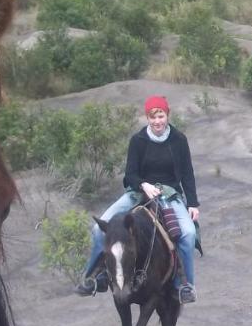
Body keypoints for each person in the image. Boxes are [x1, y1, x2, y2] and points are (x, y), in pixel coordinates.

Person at [76, 95, 201, 303]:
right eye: (153, 117)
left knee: (188, 234)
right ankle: (95, 278)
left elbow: (187, 173)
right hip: (138, 192)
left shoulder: (179, 140)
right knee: (99, 228)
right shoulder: (138, 141)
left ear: (167, 114)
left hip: (169, 194)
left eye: (160, 116)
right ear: (147, 118)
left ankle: (184, 286)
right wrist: (144, 184)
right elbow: (130, 174)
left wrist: (193, 203)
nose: (157, 121)